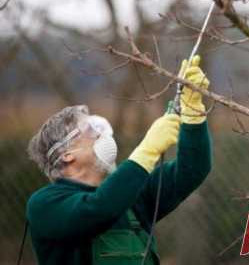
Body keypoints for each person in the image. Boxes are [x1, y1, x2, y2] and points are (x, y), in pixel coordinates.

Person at [26, 55, 212, 265]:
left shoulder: (132, 196)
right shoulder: (45, 204)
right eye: (89, 129)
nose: (101, 134)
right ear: (66, 155)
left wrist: (193, 112)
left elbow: (192, 170)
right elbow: (98, 209)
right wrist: (147, 150)